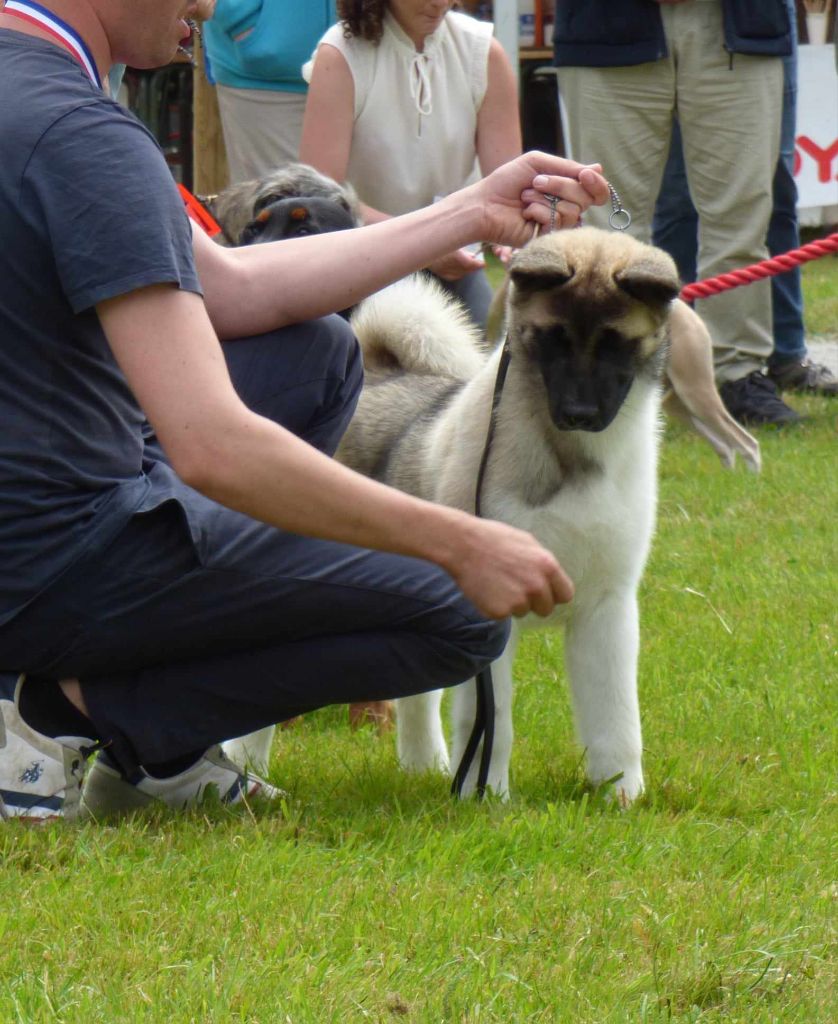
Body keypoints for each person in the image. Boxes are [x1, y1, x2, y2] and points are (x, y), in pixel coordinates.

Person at [0, 0, 608, 822]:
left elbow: (233, 286)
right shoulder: (87, 138)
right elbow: (212, 444)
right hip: (40, 567)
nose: (209, 7)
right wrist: (458, 539)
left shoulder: (41, 93)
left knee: (314, 356)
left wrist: (467, 211)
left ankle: (136, 726)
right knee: (459, 611)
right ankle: (67, 711)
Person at [554, 0, 798, 426]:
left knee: (742, 218)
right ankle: (608, 369)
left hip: (740, 24)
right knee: (609, 220)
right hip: (605, 26)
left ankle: (737, 375)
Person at [652, 0, 837, 401]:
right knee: (678, 195)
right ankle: (681, 355)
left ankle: (783, 355)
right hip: (665, 24)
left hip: (759, 16)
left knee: (774, 190)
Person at [298, 0, 522, 331]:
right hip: (363, 261)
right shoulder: (340, 55)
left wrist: (507, 237)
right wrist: (426, 246)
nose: (441, 3)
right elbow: (321, 196)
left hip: (457, 257)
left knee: (476, 369)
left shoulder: (483, 52)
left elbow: (507, 184)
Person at [202, 1, 337, 183]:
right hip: (266, 83)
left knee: (369, 204)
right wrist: (239, 15)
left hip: (366, 51)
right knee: (283, 202)